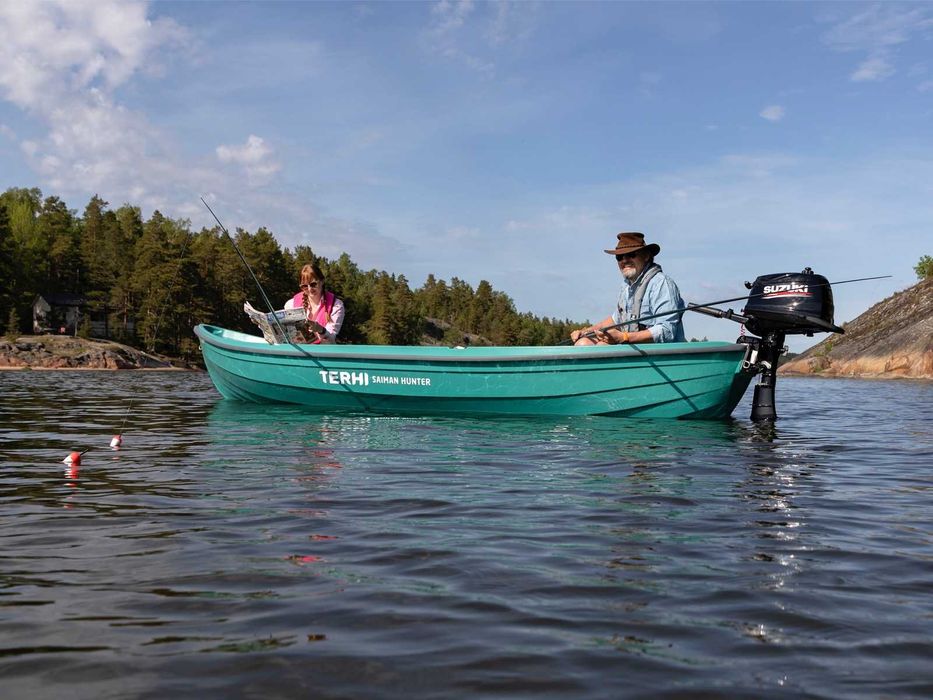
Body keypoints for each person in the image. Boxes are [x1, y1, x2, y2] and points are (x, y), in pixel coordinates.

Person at [571, 231, 686, 345]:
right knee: (583, 343)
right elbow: (616, 319)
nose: (625, 260)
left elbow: (667, 331)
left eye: (632, 254)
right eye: (619, 257)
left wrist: (624, 337)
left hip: (662, 353)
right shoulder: (626, 286)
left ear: (646, 256)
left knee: (602, 346)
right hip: (636, 351)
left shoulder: (661, 283)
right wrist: (587, 331)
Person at [284, 263, 345, 344]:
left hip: (323, 350)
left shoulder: (336, 305)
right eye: (305, 286)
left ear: (322, 281)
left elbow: (331, 338)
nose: (310, 289)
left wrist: (321, 330)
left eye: (313, 284)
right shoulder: (290, 304)